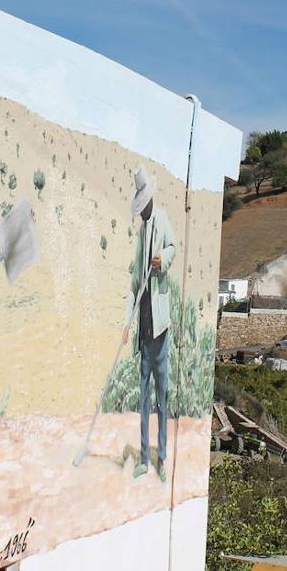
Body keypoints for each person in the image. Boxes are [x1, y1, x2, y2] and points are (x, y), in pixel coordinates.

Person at [122, 165, 176, 481]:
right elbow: (134, 281)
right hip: (143, 325)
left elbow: (172, 248)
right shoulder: (142, 232)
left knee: (162, 393)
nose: (142, 211)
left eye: (143, 206)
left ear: (150, 201)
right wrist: (127, 321)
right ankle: (144, 456)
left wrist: (162, 261)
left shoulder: (162, 220)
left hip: (159, 323)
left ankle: (163, 457)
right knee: (143, 395)